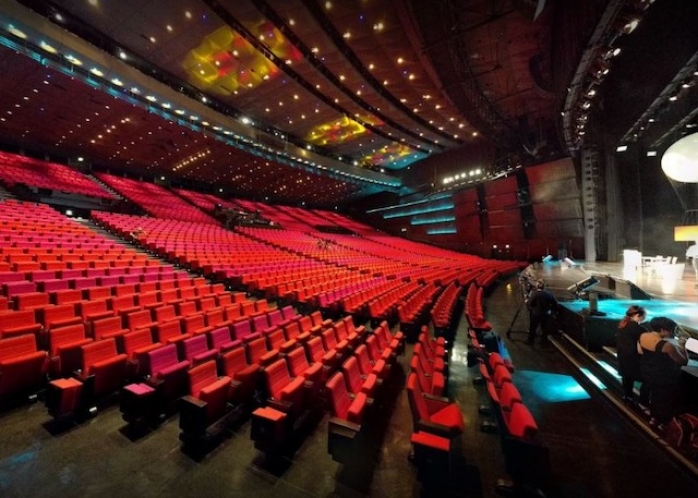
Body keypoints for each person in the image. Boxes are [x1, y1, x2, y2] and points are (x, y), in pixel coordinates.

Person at [638, 316, 688, 430]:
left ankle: (653, 419)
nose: (672, 333)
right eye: (670, 330)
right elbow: (683, 361)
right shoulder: (667, 346)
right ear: (662, 330)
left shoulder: (643, 336)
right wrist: (682, 346)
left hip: (648, 372)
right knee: (665, 400)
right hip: (664, 377)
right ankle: (663, 423)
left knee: (656, 397)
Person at [616, 305, 649, 405]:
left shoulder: (622, 325)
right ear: (639, 315)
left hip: (623, 358)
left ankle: (628, 396)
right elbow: (641, 349)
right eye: (645, 316)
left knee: (626, 378)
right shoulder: (640, 329)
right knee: (648, 379)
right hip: (634, 360)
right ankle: (643, 402)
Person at [526, 279, 558, 345]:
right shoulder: (549, 294)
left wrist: (528, 303)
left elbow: (530, 303)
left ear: (537, 286)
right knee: (544, 329)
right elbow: (555, 303)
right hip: (546, 314)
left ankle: (530, 341)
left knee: (533, 328)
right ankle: (543, 343)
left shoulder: (535, 294)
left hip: (536, 314)